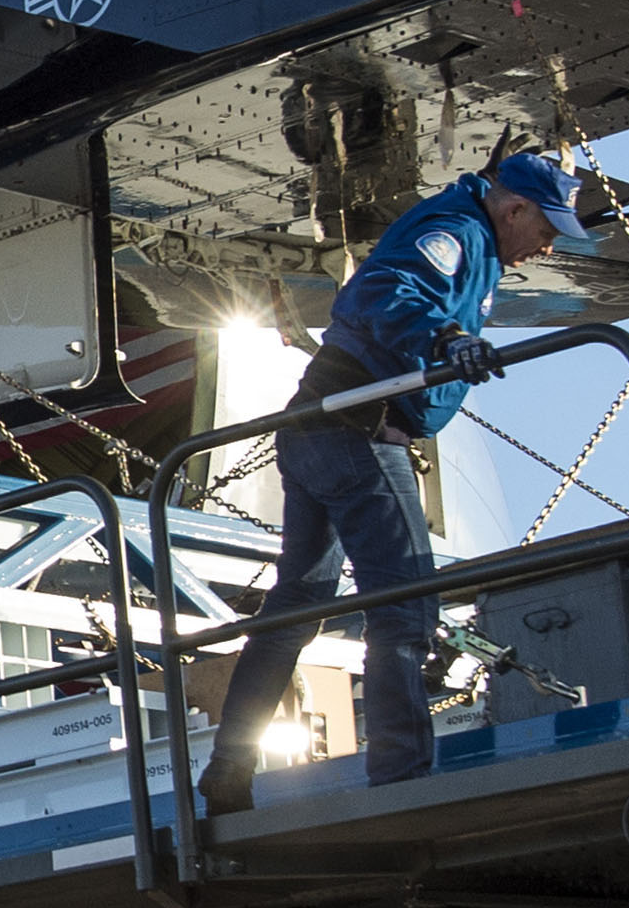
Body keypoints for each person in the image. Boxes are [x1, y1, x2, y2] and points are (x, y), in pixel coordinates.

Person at [206, 151, 597, 800]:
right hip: (358, 431)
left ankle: (228, 768)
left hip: (316, 426)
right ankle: (400, 777)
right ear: (514, 209)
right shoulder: (457, 231)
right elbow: (381, 292)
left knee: (298, 605)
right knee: (405, 607)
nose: (547, 246)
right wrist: (446, 338)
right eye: (546, 229)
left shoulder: (469, 235)